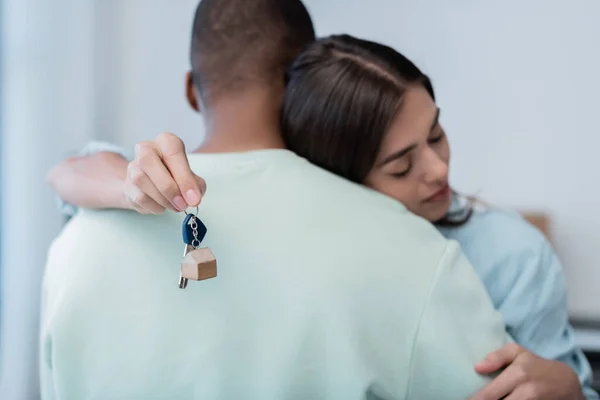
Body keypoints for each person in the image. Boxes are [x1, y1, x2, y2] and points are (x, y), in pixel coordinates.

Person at [48, 28, 597, 400]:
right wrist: (131, 185)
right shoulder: (322, 227)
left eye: (437, 135)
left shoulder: (511, 255)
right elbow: (73, 169)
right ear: (331, 172)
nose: (436, 172)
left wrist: (571, 388)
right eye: (401, 166)